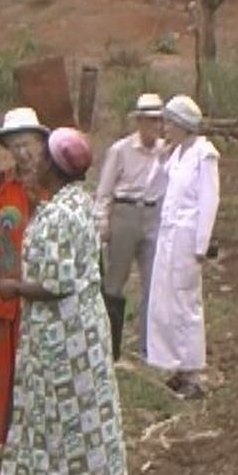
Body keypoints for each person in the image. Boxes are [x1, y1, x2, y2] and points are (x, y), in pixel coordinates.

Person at [0, 127, 127, 475]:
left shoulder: (58, 215)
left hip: (63, 337)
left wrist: (14, 288)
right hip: (79, 331)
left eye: (42, 159)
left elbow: (54, 282)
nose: (35, 164)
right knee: (78, 418)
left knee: (67, 422)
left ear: (55, 166)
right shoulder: (79, 204)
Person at [0, 107, 49, 455]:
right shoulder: (1, 185)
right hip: (6, 300)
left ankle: (40, 450)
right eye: (15, 145)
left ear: (40, 142)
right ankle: (6, 449)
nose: (23, 152)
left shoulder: (55, 185)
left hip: (45, 298)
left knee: (41, 375)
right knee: (4, 375)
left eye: (28, 143)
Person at [146, 95, 220, 400]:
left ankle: (193, 373)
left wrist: (201, 243)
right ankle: (176, 365)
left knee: (187, 301)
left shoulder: (204, 155)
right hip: (168, 235)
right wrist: (161, 158)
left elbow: (209, 200)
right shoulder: (176, 155)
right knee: (166, 300)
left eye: (168, 123)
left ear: (181, 125)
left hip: (187, 238)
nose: (164, 128)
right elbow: (153, 189)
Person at [93, 93, 167, 360]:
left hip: (152, 214)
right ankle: (108, 344)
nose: (154, 127)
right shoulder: (121, 150)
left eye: (158, 121)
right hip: (124, 213)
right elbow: (104, 190)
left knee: (154, 282)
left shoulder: (165, 151)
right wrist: (102, 221)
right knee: (114, 282)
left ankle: (149, 347)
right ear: (139, 122)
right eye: (149, 121)